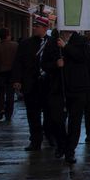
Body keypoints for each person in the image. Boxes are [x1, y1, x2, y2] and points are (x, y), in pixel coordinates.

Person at [41, 30, 90, 164]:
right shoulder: (52, 42)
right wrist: (55, 65)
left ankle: (70, 151)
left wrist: (66, 47)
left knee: (75, 122)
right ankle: (61, 144)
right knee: (56, 119)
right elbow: (44, 64)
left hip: (77, 87)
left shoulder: (81, 40)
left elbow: (84, 57)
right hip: (57, 88)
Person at [11, 15, 53, 151]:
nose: (34, 28)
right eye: (34, 26)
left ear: (46, 28)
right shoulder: (26, 43)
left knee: (49, 114)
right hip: (31, 84)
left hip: (48, 84)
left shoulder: (52, 43)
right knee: (33, 115)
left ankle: (49, 136)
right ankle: (35, 140)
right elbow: (18, 62)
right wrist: (17, 79)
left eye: (38, 26)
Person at [0, 28, 18, 121]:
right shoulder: (15, 45)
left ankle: (1, 109)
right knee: (10, 94)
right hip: (12, 72)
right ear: (8, 35)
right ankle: (9, 113)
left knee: (0, 92)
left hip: (0, 72)